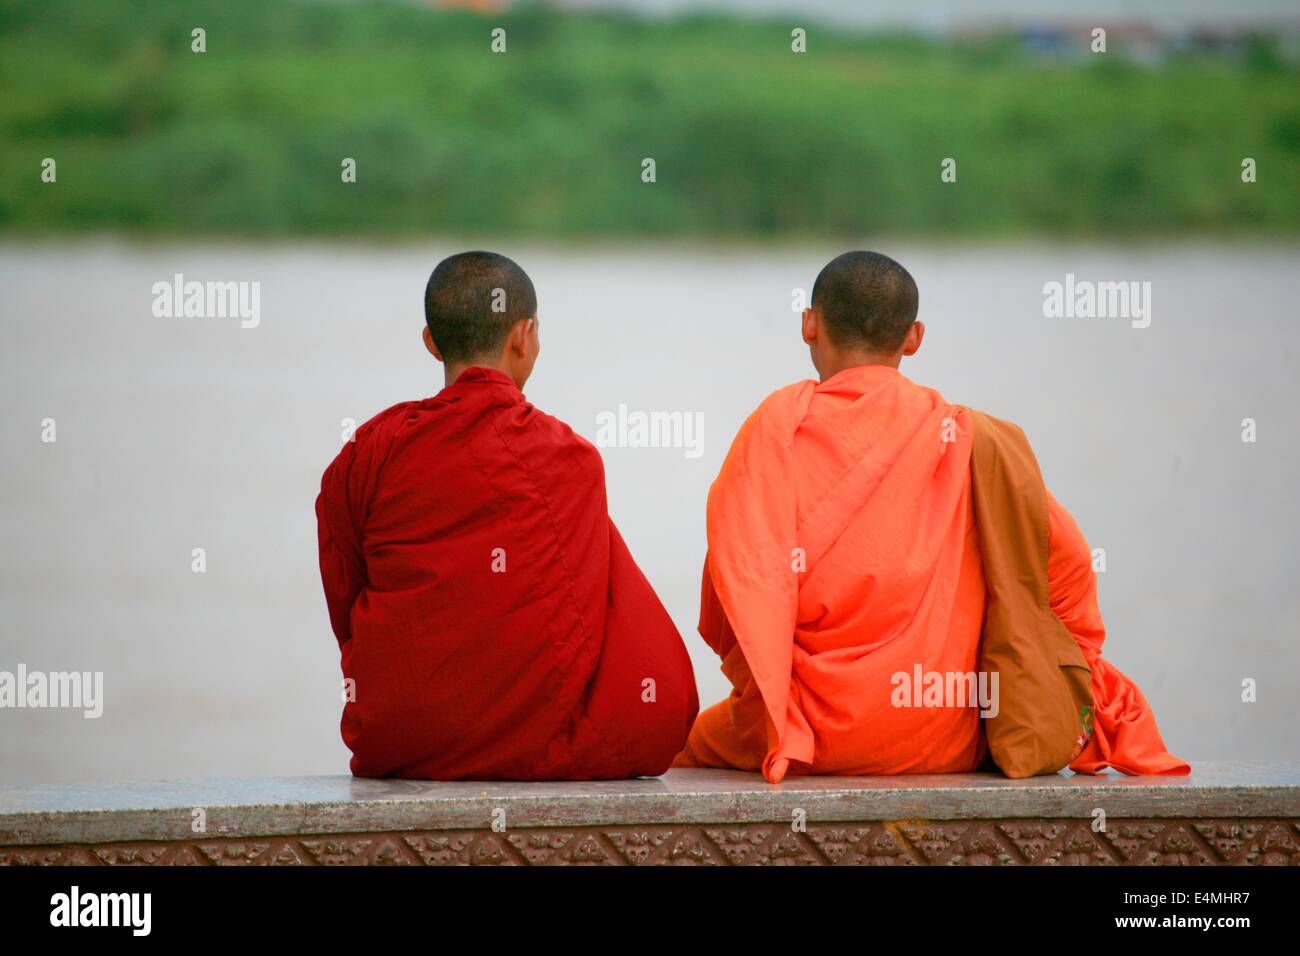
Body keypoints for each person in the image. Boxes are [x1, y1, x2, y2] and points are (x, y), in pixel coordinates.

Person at [673, 251, 1188, 783]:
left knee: (680, 748)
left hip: (800, 735)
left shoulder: (775, 432)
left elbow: (732, 591)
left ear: (809, 323)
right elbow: (1071, 567)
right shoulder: (969, 440)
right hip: (952, 733)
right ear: (914, 337)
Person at [316, 251, 698, 780]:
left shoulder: (369, 450)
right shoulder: (570, 456)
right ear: (524, 337)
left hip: (402, 741)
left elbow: (346, 595)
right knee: (651, 699)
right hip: (540, 742)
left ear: (431, 341)